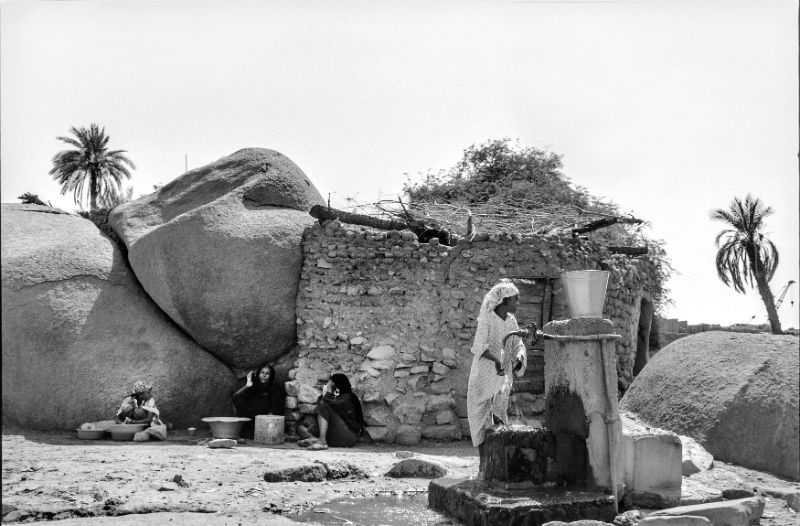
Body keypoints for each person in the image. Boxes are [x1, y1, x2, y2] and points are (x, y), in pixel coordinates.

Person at [467, 279, 529, 455]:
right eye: (516, 299)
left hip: (502, 376)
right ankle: (483, 464)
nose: (518, 303)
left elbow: (518, 343)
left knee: (499, 416)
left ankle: (499, 465)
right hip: (484, 374)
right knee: (482, 420)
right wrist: (497, 361)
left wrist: (519, 356)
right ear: (506, 300)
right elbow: (479, 346)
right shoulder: (487, 318)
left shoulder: (511, 320)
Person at [296, 373, 366, 451]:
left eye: (331, 383)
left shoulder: (348, 397)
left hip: (348, 437)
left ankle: (321, 441)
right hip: (334, 437)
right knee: (300, 427)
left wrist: (328, 392)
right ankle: (315, 439)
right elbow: (320, 404)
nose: (328, 385)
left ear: (337, 385)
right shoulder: (334, 397)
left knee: (323, 407)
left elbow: (327, 405)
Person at [232, 364, 286, 439]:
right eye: (262, 373)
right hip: (251, 416)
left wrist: (267, 420)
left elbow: (276, 408)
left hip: (265, 419)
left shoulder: (275, 388)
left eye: (267, 373)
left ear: (271, 376)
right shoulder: (254, 386)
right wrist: (248, 385)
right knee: (239, 399)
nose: (264, 375)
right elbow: (236, 397)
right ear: (258, 374)